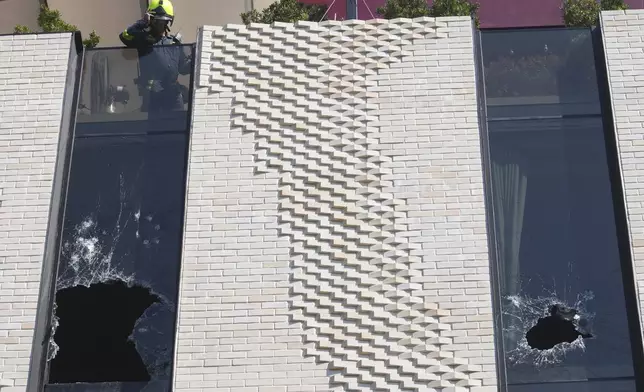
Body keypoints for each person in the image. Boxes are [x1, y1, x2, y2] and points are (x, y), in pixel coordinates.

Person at [119, 0, 191, 113]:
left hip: (173, 96)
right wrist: (142, 23)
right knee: (154, 129)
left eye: (163, 22)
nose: (159, 25)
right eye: (156, 21)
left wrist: (196, 59)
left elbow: (183, 68)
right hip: (152, 96)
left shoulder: (174, 43)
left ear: (168, 22)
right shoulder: (143, 40)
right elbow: (125, 36)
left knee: (177, 127)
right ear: (150, 20)